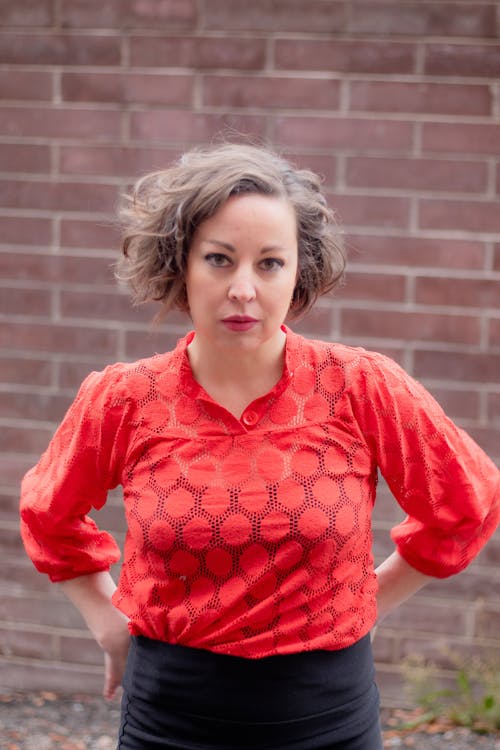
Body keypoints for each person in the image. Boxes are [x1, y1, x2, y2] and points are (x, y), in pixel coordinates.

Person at [20, 143, 499, 750]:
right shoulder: (125, 398)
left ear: (301, 269)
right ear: (181, 265)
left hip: (329, 719)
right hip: (171, 719)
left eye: (269, 263)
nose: (243, 289)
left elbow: (464, 503)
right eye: (219, 259)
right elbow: (49, 515)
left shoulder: (360, 386)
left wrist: (365, 601)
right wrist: (106, 621)